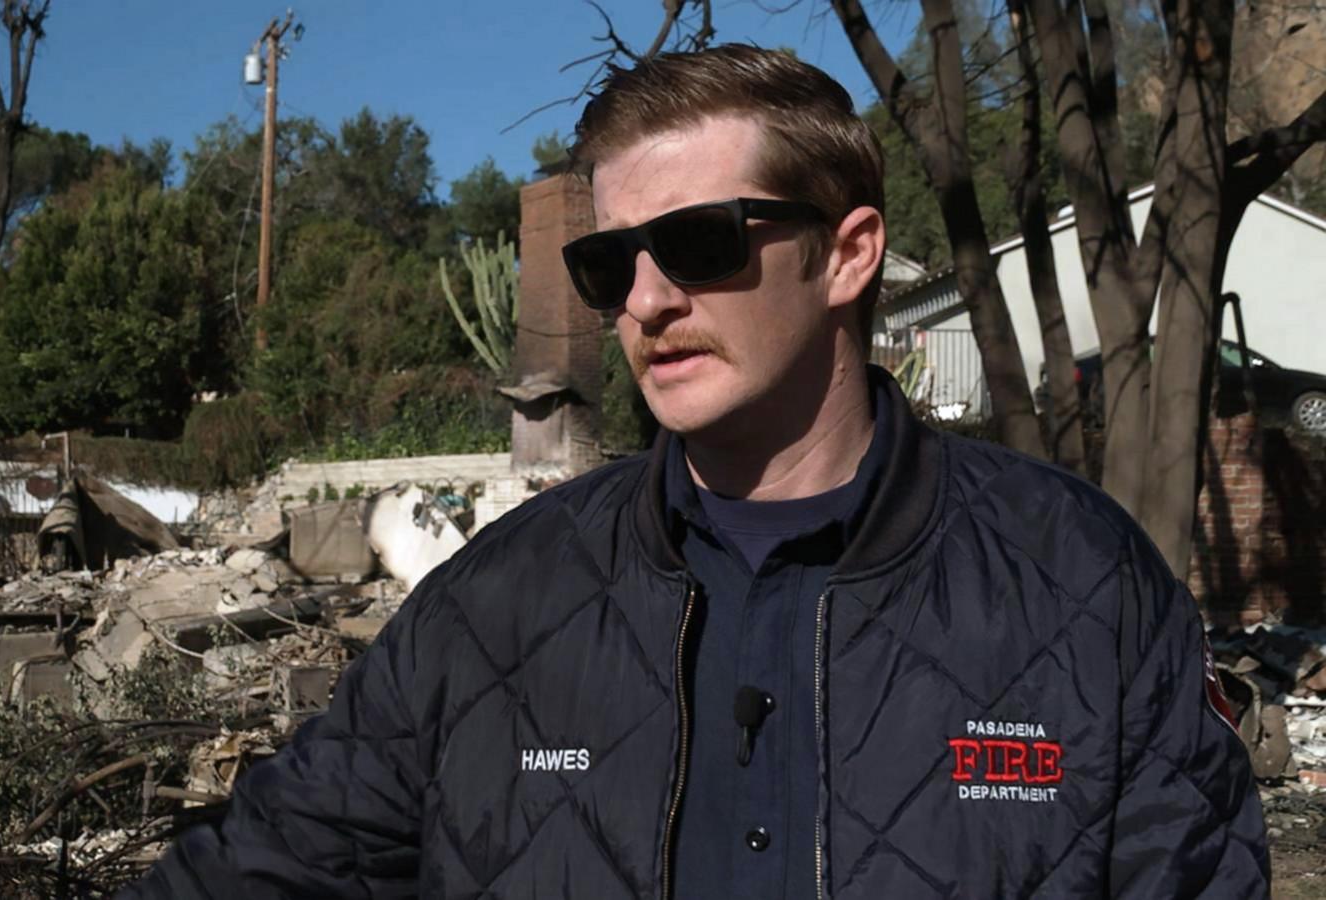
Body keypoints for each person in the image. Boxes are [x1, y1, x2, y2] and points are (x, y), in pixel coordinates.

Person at [123, 45, 1268, 898]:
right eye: (610, 259)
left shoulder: (1078, 584)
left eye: (702, 241)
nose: (647, 297)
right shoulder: (495, 606)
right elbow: (264, 866)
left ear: (848, 252)